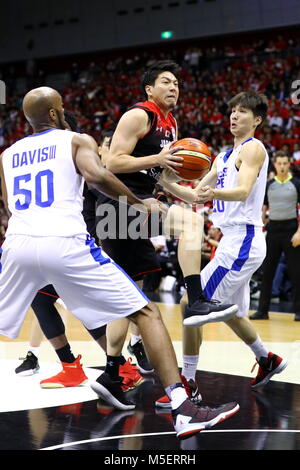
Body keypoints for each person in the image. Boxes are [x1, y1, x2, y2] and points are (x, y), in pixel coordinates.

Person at [0, 86, 239, 439]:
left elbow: (8, 207)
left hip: (17, 246)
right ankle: (183, 408)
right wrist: (137, 203)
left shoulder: (8, 154)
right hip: (64, 241)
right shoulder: (74, 140)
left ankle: (112, 369)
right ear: (53, 113)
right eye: (61, 106)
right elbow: (98, 176)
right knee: (146, 313)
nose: (65, 110)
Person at [95, 61, 238, 401]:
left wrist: (192, 194)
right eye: (165, 82)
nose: (174, 87)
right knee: (191, 223)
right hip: (118, 204)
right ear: (149, 89)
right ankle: (198, 300)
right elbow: (113, 162)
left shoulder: (170, 124)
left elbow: (165, 175)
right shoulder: (138, 115)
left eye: (176, 82)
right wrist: (156, 160)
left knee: (131, 296)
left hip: (138, 201)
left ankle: (111, 372)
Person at [155, 90, 288, 406]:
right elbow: (196, 196)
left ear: (256, 120)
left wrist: (214, 191)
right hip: (233, 241)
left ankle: (187, 383)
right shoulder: (222, 157)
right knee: (229, 312)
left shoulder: (253, 149)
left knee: (192, 302)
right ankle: (266, 359)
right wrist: (166, 183)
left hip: (244, 240)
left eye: (242, 112)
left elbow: (242, 191)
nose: (234, 116)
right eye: (232, 111)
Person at [14, 113, 145, 391]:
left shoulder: (80, 158)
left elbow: (106, 189)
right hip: (59, 246)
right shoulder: (54, 161)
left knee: (90, 308)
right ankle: (99, 367)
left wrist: (138, 207)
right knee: (49, 301)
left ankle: (108, 366)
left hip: (80, 246)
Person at [250, 150, 300, 321]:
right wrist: (261, 222)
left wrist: (299, 233)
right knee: (268, 271)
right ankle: (262, 311)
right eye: (279, 163)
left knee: (296, 272)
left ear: (289, 163)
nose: (282, 166)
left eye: (285, 163)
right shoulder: (269, 184)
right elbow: (263, 208)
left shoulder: (297, 184)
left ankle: (299, 311)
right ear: (275, 165)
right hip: (273, 231)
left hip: (292, 231)